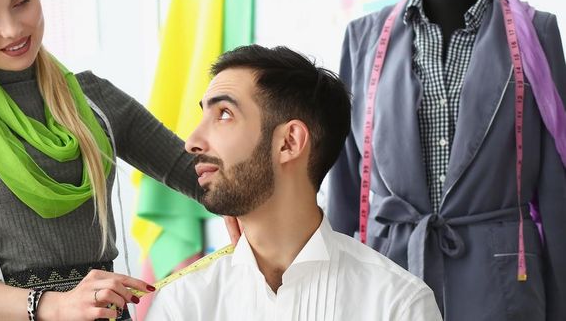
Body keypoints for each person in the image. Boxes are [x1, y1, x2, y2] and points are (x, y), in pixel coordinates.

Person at [0, 0, 203, 319]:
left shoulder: (96, 100)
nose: (13, 29)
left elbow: (199, 175)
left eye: (22, 1)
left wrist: (241, 201)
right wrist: (52, 306)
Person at [326, 0, 566, 319]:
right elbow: (344, 186)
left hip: (499, 286)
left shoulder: (534, 32)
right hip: (390, 275)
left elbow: (556, 188)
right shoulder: (363, 39)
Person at [147, 45, 441, 320]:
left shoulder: (398, 305)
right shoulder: (182, 304)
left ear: (289, 142)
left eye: (224, 114)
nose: (192, 142)